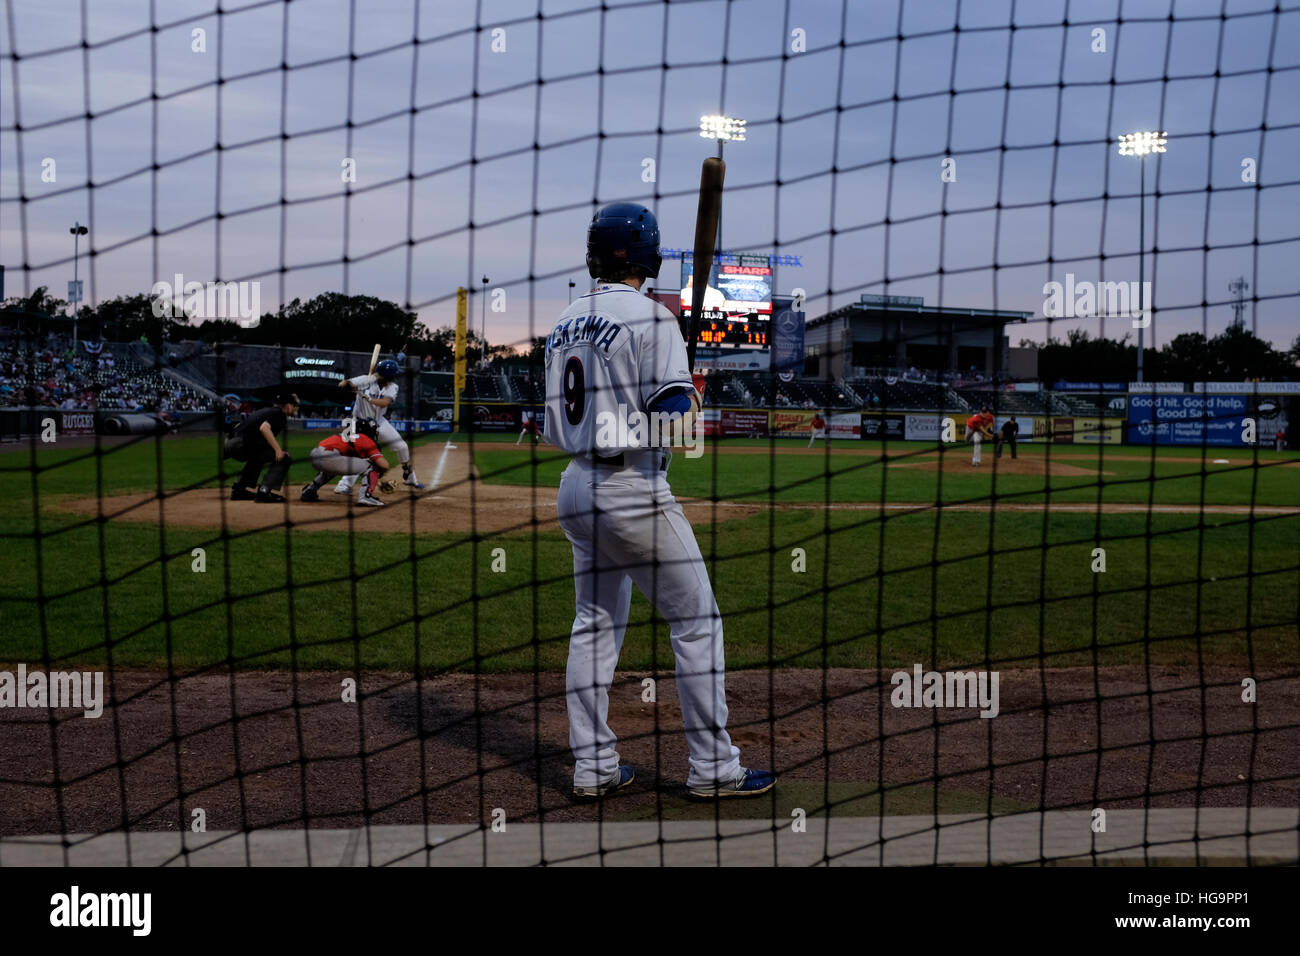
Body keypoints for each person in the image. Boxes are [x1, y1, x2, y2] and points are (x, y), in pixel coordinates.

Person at [544, 201, 775, 801]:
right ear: (648, 256)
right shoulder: (653, 319)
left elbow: (555, 424)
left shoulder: (566, 319)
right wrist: (690, 401)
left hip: (574, 486)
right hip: (632, 491)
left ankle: (593, 768)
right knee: (697, 623)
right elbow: (676, 426)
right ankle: (714, 769)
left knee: (592, 625)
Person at [334, 358, 425, 494]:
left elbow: (385, 402)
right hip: (358, 423)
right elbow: (341, 384)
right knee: (360, 454)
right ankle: (343, 485)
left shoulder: (393, 387)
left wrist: (369, 399)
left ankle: (410, 477)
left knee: (402, 446)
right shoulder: (365, 380)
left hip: (378, 421)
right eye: (392, 375)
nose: (394, 378)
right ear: (385, 376)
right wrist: (349, 385)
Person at [224, 391, 299, 501]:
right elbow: (264, 428)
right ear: (288, 406)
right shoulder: (280, 414)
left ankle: (239, 490)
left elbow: (243, 426)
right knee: (284, 459)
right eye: (294, 405)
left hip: (230, 443)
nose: (295, 408)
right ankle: (264, 491)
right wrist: (278, 450)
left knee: (258, 455)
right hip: (240, 444)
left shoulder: (267, 411)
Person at [301, 418, 389, 507]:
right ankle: (366, 497)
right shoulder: (365, 438)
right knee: (371, 466)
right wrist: (380, 472)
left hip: (315, 455)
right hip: (331, 458)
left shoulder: (349, 436)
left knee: (332, 468)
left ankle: (309, 491)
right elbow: (384, 465)